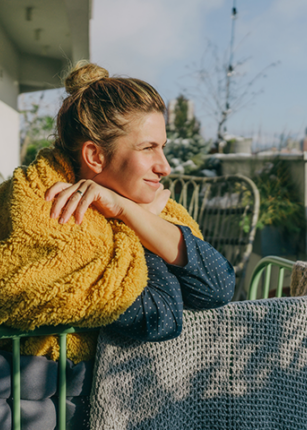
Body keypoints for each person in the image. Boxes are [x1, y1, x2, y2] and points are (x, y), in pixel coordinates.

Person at [45, 61, 235, 341]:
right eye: (148, 148)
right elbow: (159, 317)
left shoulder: (148, 204)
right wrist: (138, 221)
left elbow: (219, 287)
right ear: (95, 156)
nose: (165, 167)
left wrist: (130, 212)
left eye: (163, 148)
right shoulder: (60, 215)